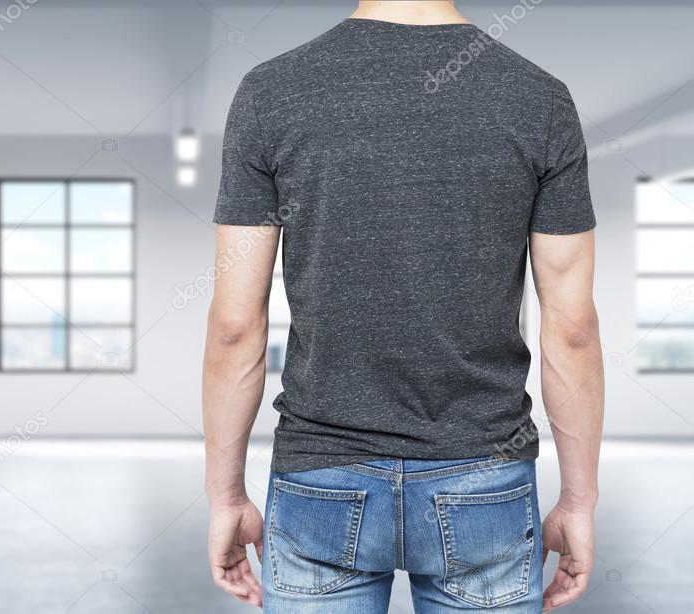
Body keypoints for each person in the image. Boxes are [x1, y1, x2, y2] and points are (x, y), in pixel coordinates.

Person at [202, 1, 604, 612]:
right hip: (484, 478)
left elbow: (235, 326)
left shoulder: (270, 92)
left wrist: (224, 495)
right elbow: (571, 331)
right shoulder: (538, 98)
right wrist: (578, 501)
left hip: (320, 476)